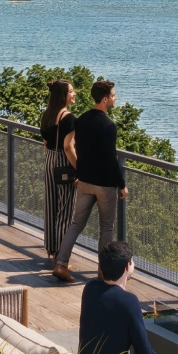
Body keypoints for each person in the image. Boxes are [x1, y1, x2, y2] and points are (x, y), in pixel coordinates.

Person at [54, 79, 127, 282]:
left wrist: (81, 171)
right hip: (105, 185)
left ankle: (61, 263)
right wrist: (122, 185)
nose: (115, 98)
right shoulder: (109, 126)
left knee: (76, 223)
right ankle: (103, 273)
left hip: (85, 181)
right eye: (113, 95)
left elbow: (78, 148)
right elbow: (111, 159)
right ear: (105, 99)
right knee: (106, 228)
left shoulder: (82, 120)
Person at [78, 241, 170, 354]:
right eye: (132, 262)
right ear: (127, 266)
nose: (134, 265)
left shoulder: (90, 288)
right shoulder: (128, 301)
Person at [40, 79, 79, 258]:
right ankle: (61, 257)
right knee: (65, 211)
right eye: (71, 91)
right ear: (63, 96)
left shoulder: (47, 115)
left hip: (49, 159)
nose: (74, 94)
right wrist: (80, 169)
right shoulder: (69, 118)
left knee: (51, 205)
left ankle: (51, 247)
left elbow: (45, 143)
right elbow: (68, 147)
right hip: (63, 163)